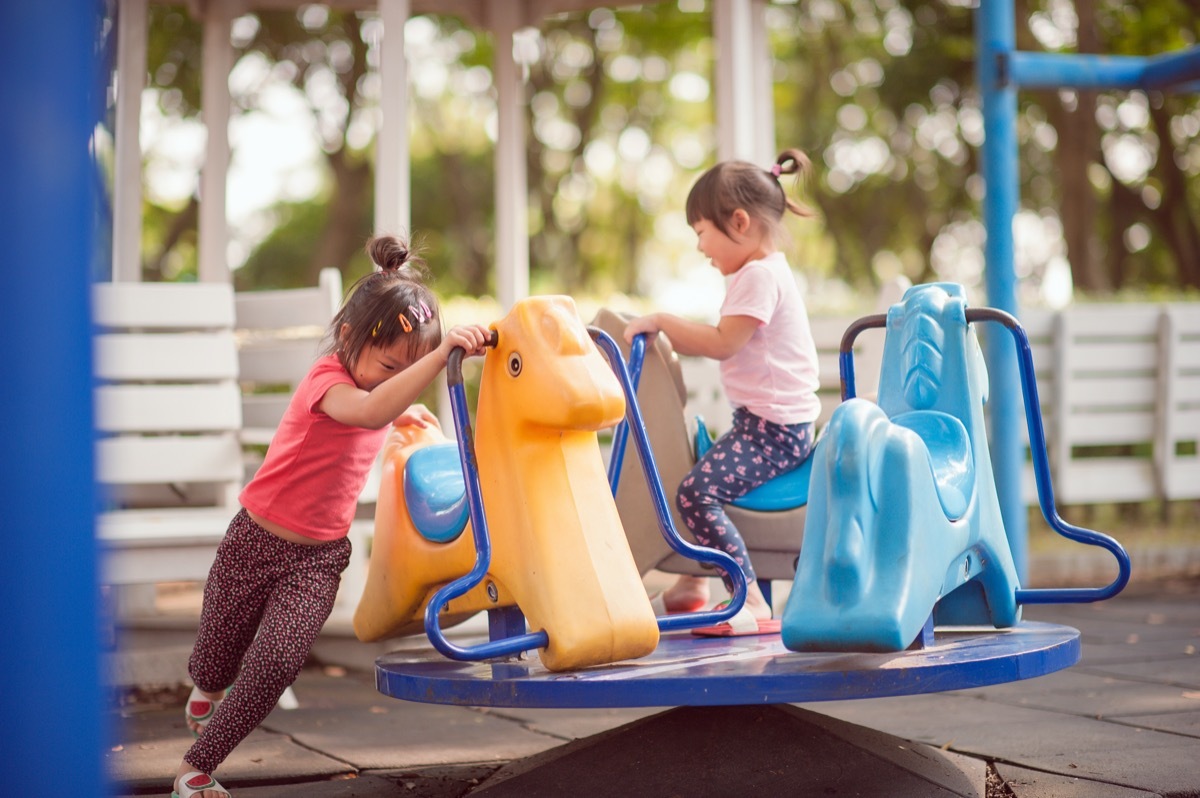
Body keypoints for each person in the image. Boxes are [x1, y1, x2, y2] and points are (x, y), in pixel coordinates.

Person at [171, 235, 492, 798]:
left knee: (275, 663)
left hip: (317, 559)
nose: (395, 379)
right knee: (215, 656)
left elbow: (385, 407)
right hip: (254, 542)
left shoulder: (377, 390)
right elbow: (369, 411)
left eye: (408, 370)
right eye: (391, 365)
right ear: (347, 337)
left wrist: (416, 402)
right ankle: (208, 686)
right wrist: (436, 361)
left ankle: (198, 769)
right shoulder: (329, 380)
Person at [624, 148, 821, 628]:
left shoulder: (757, 275)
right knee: (694, 465)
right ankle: (692, 581)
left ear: (739, 222)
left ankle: (747, 598)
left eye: (701, 234)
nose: (700, 248)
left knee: (695, 493)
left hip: (773, 434)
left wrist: (663, 322)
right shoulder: (761, 272)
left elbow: (722, 343)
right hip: (762, 424)